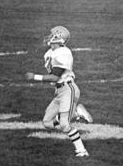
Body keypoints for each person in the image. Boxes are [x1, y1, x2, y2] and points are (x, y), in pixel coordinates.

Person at [25, 26, 93, 157]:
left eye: (52, 35)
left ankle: (81, 150)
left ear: (58, 37)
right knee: (47, 123)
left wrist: (34, 77)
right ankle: (75, 113)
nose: (49, 37)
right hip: (60, 91)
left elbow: (56, 76)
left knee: (64, 125)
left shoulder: (64, 52)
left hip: (68, 89)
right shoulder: (50, 53)